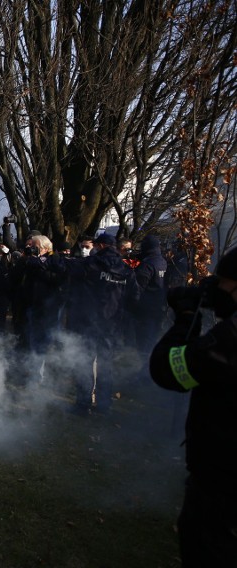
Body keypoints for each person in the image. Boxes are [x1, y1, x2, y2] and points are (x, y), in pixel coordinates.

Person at [149, 247, 237, 567]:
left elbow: (170, 370)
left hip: (223, 485)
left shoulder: (232, 337)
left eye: (225, 284)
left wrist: (186, 320)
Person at [66, 233, 136, 414]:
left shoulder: (91, 264)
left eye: (95, 246)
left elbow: (71, 274)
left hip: (89, 321)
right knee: (106, 364)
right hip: (112, 324)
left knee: (85, 362)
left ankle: (83, 404)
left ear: (101, 246)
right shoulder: (126, 270)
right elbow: (133, 297)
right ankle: (104, 404)